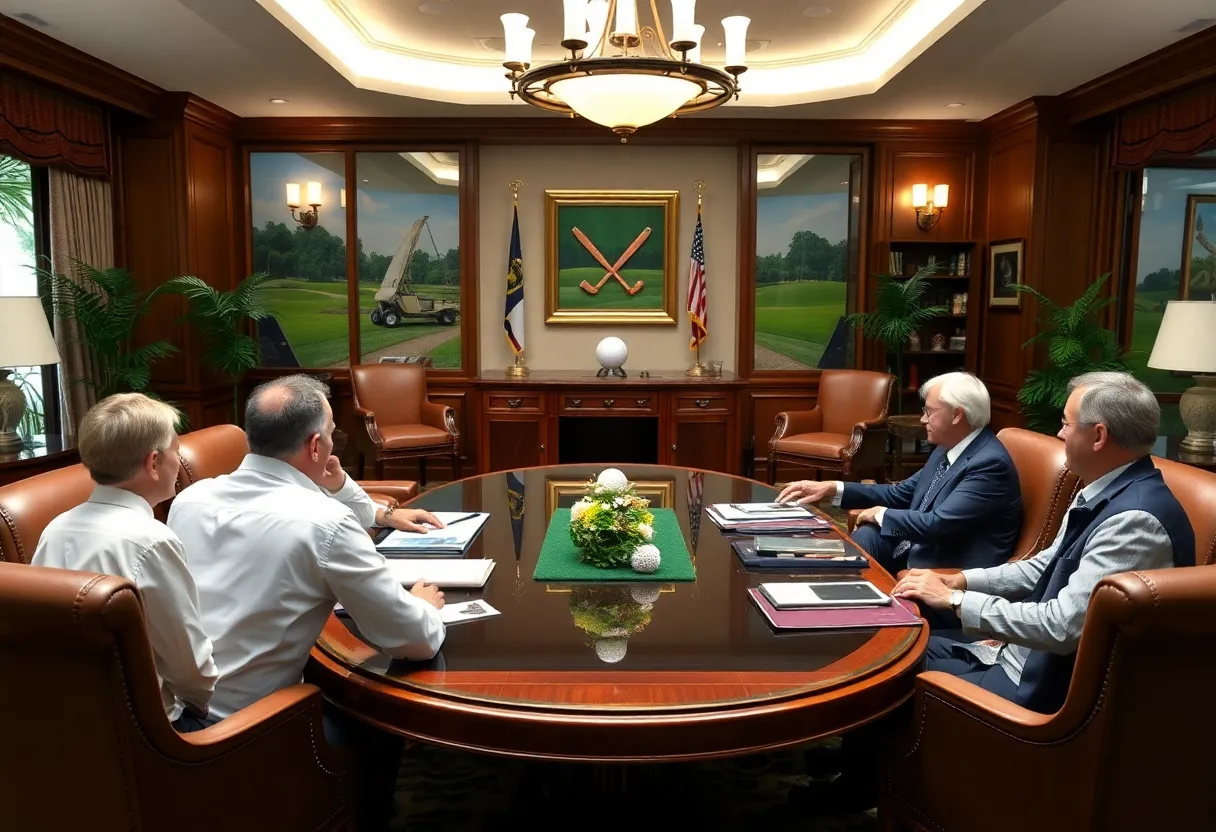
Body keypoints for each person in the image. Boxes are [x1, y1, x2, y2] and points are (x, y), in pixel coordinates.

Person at [168, 374, 446, 831]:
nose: (336, 441)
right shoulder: (324, 522)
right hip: (245, 731)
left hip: (171, 719)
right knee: (379, 714)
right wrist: (423, 608)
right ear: (315, 445)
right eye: (334, 432)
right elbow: (409, 640)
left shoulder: (190, 500)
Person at [895, 371, 1195, 713]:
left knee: (894, 671)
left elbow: (1060, 627)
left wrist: (955, 599)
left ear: (1098, 436)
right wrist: (961, 580)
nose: (1060, 433)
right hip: (1015, 655)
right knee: (900, 643)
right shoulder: (1102, 489)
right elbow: (1045, 566)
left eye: (1066, 424)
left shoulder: (1134, 522)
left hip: (1037, 688)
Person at [32, 393, 217, 730]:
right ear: (153, 462)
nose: (179, 460)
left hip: (67, 720)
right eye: (176, 451)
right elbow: (191, 672)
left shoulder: (53, 529)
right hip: (146, 731)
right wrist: (205, 703)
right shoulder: (152, 540)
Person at [778, 372, 1022, 597]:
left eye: (929, 411)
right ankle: (814, 588)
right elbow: (901, 493)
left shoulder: (989, 465)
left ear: (957, 414)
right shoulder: (947, 447)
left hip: (943, 572)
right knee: (848, 549)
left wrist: (881, 514)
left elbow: (938, 524)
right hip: (913, 549)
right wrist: (833, 488)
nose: (923, 419)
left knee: (845, 566)